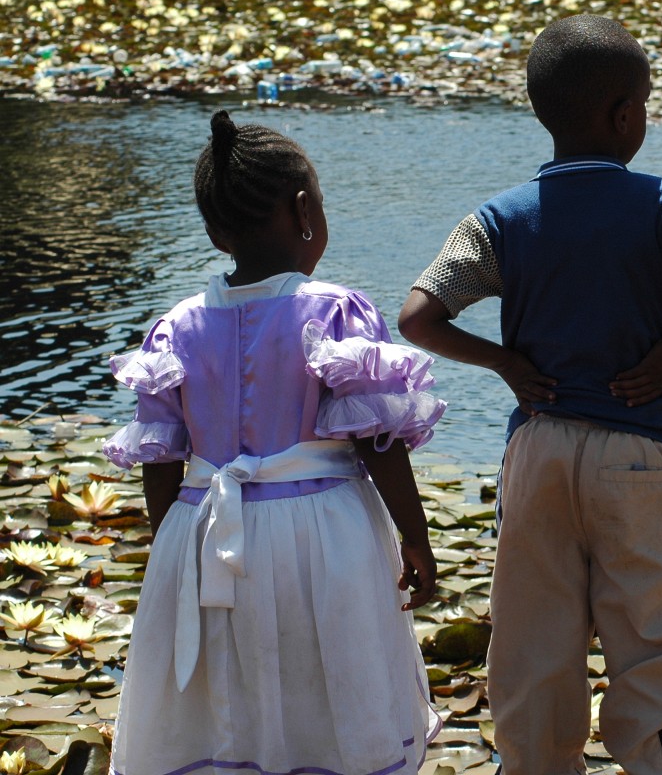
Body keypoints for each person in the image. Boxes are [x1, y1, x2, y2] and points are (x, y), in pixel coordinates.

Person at [397, 14, 662, 775]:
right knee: (651, 649)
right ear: (625, 115)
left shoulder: (499, 219)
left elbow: (418, 317)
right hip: (636, 455)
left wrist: (504, 363)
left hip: (538, 452)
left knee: (532, 651)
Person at [102, 109, 446, 775]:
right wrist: (416, 536)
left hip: (204, 531)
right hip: (322, 535)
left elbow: (161, 462)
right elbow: (378, 443)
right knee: (328, 689)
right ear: (304, 210)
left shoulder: (173, 327)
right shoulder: (336, 312)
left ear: (214, 230)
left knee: (225, 697)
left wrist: (173, 550)